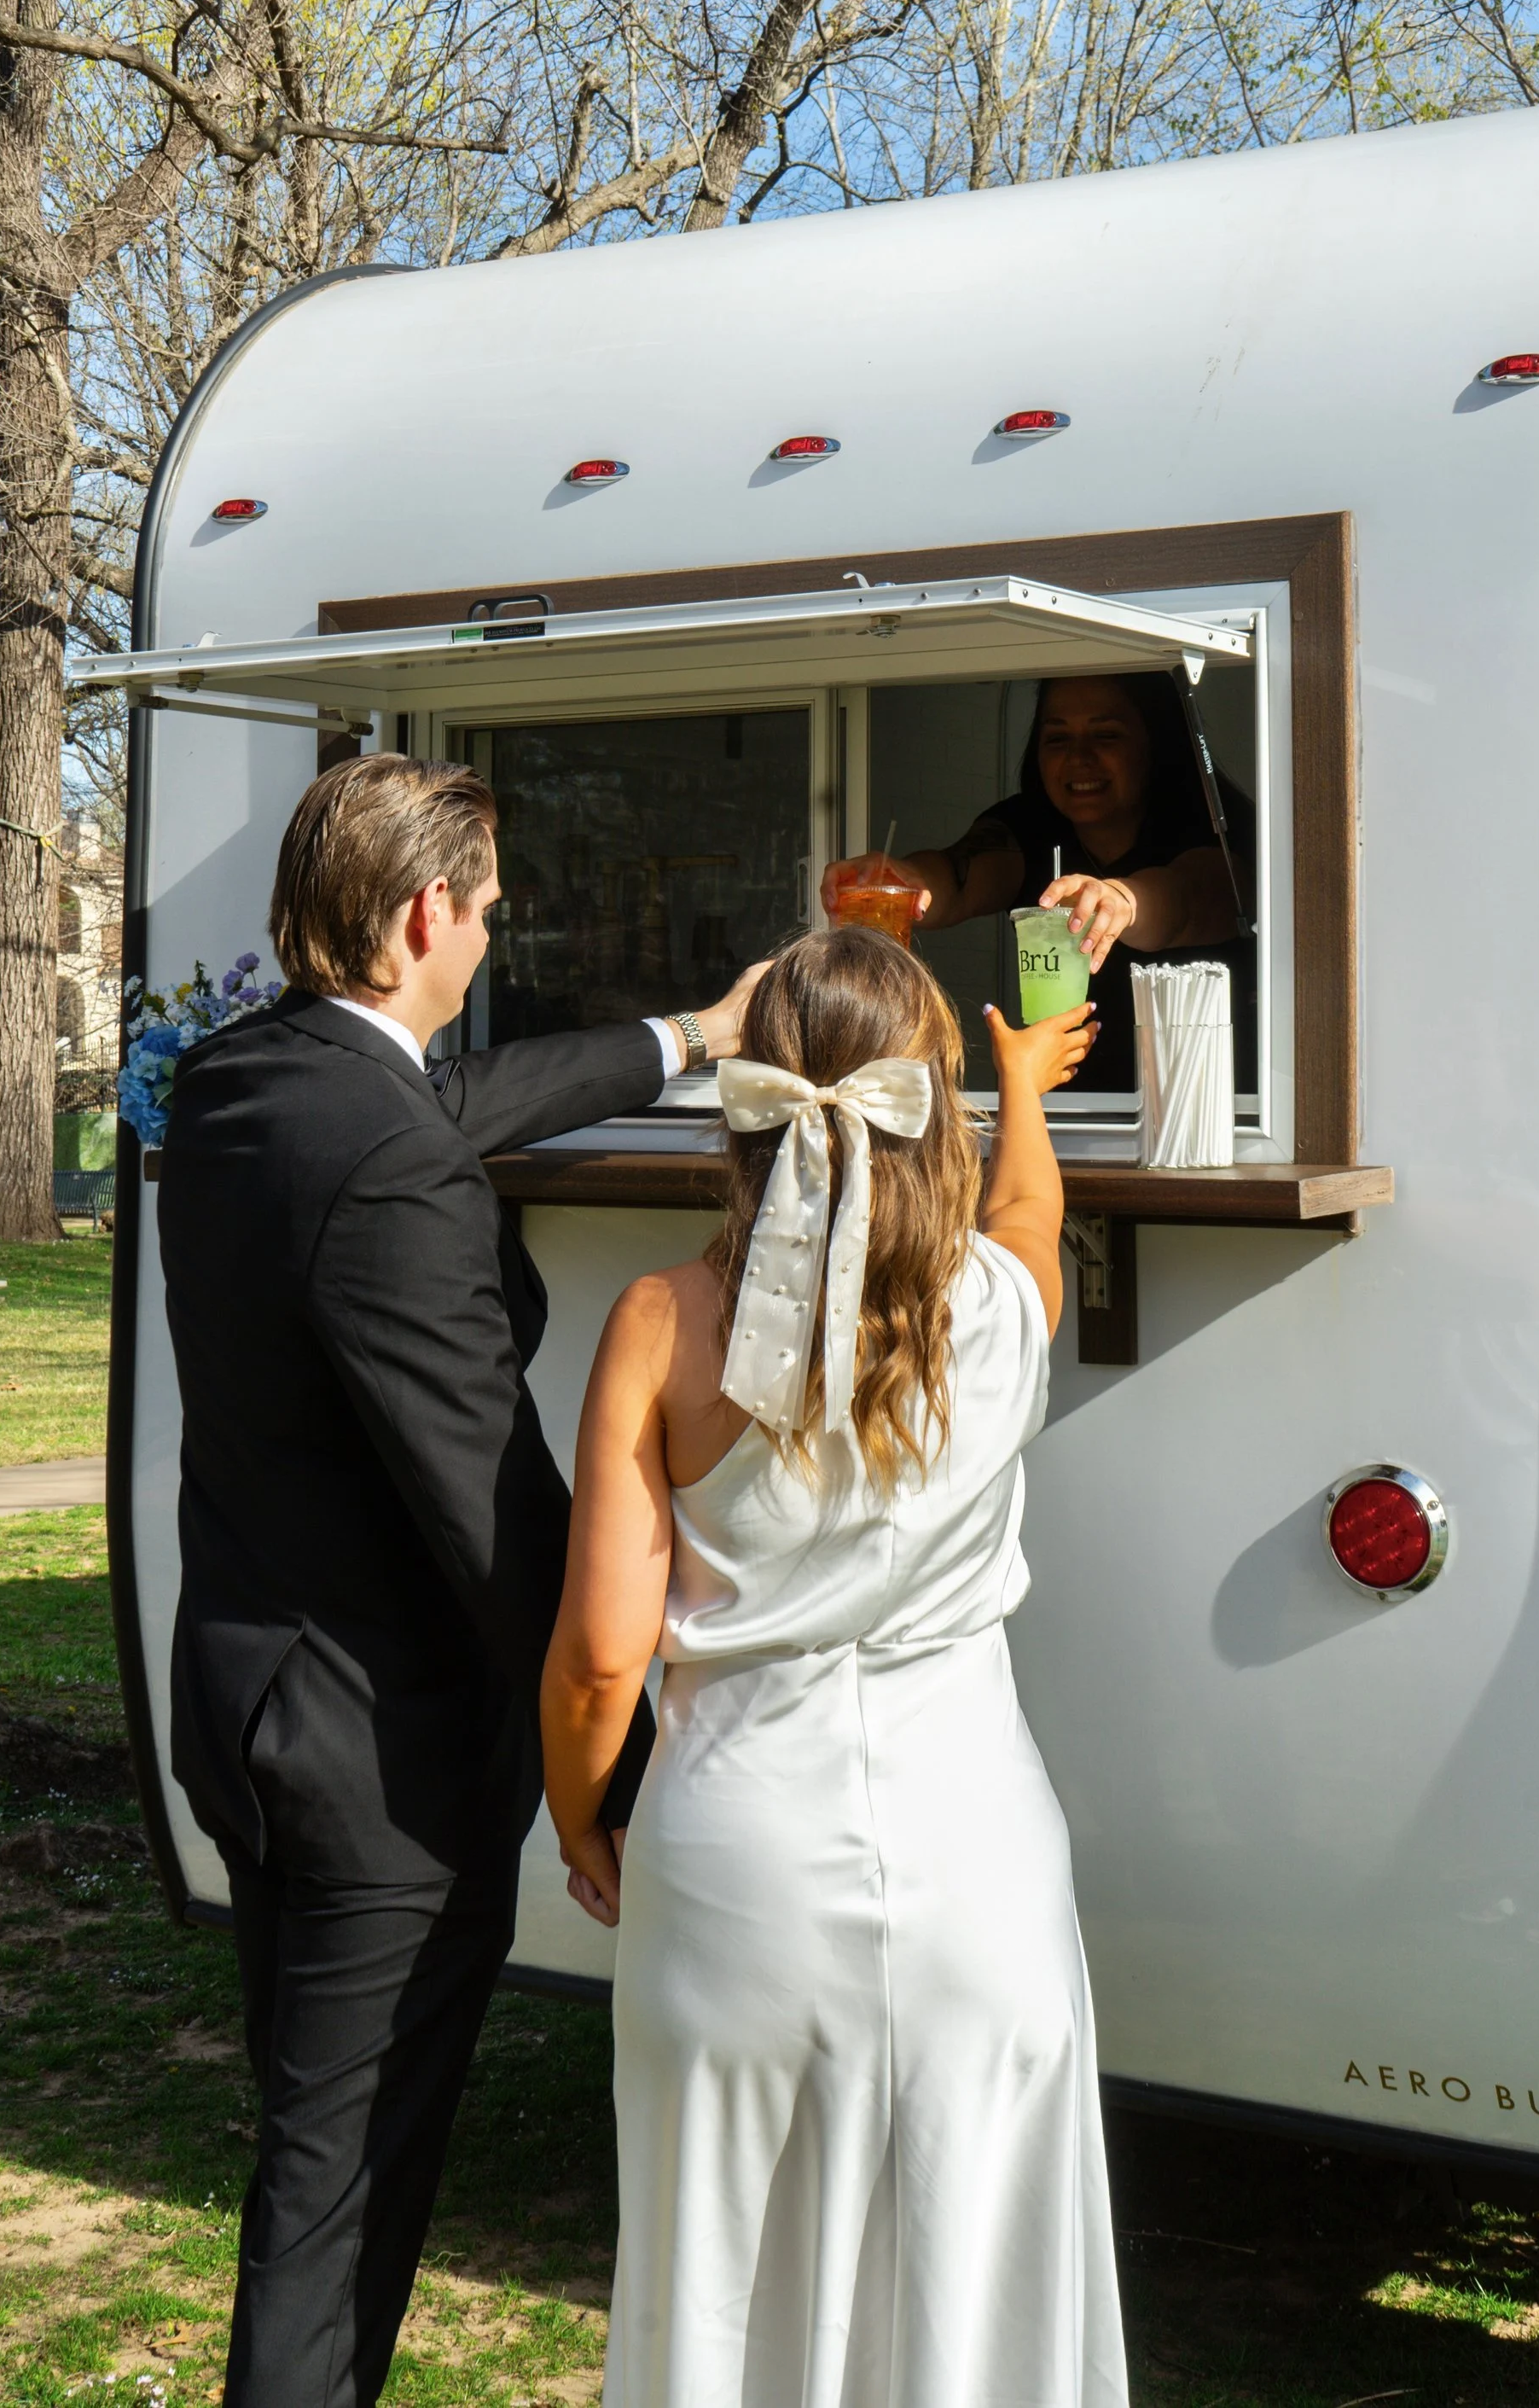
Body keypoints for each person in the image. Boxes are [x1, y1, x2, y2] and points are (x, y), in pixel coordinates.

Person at [157, 753, 764, 2408]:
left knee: (311, 2147)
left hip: (247, 1706)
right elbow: (493, 1514)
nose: (494, 939)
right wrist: (618, 1770)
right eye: (488, 912)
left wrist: (690, 1039)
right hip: (380, 1766)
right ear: (426, 912)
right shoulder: (387, 1159)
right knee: (335, 2200)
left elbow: (440, 1111)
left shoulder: (235, 1086)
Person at [542, 924, 1130, 2408]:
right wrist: (1024, 1093)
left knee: (730, 2285)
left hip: (738, 1861)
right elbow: (1033, 1216)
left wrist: (578, 1819)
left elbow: (605, 1660)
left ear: (746, 1101)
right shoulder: (997, 1303)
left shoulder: (662, 1325)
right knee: (975, 2284)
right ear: (927, 1103)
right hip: (977, 1864)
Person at [824, 667, 1253, 1091]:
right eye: (1057, 738)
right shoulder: (1027, 824)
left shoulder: (1213, 822)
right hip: (1068, 1109)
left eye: (1106, 735)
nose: (1079, 757)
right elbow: (957, 877)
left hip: (1209, 1103)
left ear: (1155, 741)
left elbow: (1190, 899)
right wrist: (904, 879)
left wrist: (1120, 899)